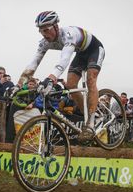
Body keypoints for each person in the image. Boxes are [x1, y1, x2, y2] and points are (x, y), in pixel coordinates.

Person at [14, 11, 105, 142]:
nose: (44, 34)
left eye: (46, 30)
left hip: (94, 50)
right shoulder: (44, 42)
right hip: (80, 54)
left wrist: (52, 77)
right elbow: (34, 63)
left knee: (91, 79)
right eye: (41, 31)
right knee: (71, 85)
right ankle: (88, 113)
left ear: (56, 26)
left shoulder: (69, 35)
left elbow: (65, 59)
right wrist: (18, 85)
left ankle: (91, 123)